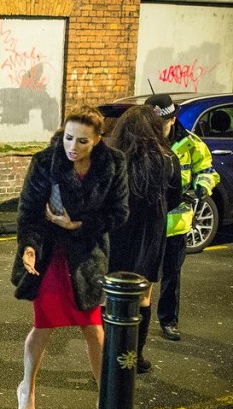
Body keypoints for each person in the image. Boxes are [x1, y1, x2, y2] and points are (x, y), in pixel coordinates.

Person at [12, 106, 129, 409]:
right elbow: (30, 214)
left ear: (97, 140)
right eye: (68, 137)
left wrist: (79, 224)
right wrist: (30, 248)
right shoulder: (45, 163)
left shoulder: (113, 164)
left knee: (94, 328)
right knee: (44, 325)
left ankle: (107, 396)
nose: (72, 147)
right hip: (50, 256)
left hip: (87, 258)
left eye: (82, 141)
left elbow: (119, 214)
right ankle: (28, 388)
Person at [106, 105, 182, 374]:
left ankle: (109, 358)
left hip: (116, 233)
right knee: (143, 296)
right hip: (150, 236)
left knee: (111, 297)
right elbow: (175, 198)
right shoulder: (168, 158)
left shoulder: (113, 158)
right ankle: (134, 357)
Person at [145, 94, 221, 342]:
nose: (157, 129)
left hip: (177, 223)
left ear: (173, 119)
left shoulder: (191, 144)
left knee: (171, 274)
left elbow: (208, 171)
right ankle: (137, 327)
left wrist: (200, 188)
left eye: (162, 124)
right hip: (147, 225)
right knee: (143, 278)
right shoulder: (141, 143)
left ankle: (168, 321)